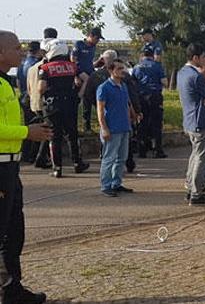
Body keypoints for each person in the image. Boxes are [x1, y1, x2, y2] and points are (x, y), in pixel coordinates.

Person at [0, 30, 52, 304]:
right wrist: (25, 132)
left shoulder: (6, 82)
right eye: (15, 47)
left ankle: (12, 289)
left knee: (14, 231)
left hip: (10, 168)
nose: (21, 52)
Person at [38, 40, 91, 177]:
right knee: (72, 135)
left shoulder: (46, 68)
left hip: (53, 105)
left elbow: (41, 88)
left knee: (54, 137)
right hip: (70, 103)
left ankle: (57, 168)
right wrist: (79, 94)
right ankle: (77, 163)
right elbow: (86, 79)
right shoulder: (72, 66)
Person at [177, 44, 205, 206]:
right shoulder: (197, 77)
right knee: (201, 157)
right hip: (201, 120)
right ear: (195, 58)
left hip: (190, 119)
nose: (204, 60)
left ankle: (191, 186)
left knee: (195, 155)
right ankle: (196, 191)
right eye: (202, 57)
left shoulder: (182, 73)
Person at [97, 59, 135, 198]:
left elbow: (127, 104)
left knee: (121, 158)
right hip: (112, 127)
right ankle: (106, 185)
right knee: (109, 157)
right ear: (111, 71)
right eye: (119, 69)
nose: (122, 71)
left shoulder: (123, 86)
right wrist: (104, 128)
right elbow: (100, 110)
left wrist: (132, 117)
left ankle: (116, 183)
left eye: (123, 68)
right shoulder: (104, 88)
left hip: (124, 126)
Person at [132, 47, 167, 159]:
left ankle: (142, 150)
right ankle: (158, 150)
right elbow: (164, 82)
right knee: (157, 123)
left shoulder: (136, 67)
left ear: (142, 55)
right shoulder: (157, 66)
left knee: (142, 123)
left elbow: (133, 82)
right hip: (155, 96)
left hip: (141, 97)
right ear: (152, 55)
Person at [71, 27, 103, 133]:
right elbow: (73, 61)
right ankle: (80, 126)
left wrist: (98, 62)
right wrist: (76, 76)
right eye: (97, 39)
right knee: (80, 102)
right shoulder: (79, 44)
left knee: (91, 100)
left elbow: (89, 63)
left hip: (90, 74)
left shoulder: (93, 48)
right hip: (80, 74)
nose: (97, 41)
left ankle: (90, 125)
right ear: (91, 36)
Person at [18, 41, 43, 163]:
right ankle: (34, 155)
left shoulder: (21, 64)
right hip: (32, 98)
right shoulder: (36, 65)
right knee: (36, 127)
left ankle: (25, 154)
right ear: (38, 50)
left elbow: (18, 82)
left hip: (23, 96)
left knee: (27, 126)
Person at [26, 48, 50, 169]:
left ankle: (33, 156)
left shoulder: (31, 68)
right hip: (44, 103)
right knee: (47, 131)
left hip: (34, 102)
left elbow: (28, 88)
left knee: (38, 130)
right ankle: (40, 158)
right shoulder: (46, 68)